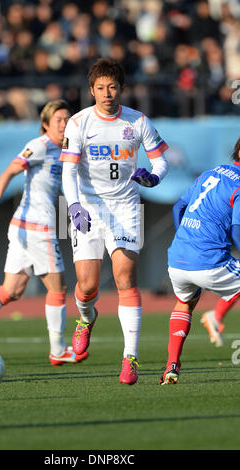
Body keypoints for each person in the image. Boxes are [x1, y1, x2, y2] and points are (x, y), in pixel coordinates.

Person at [0, 99, 88, 367]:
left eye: (67, 119)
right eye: (58, 119)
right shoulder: (39, 146)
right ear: (45, 124)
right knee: (58, 289)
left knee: (12, 289)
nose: (64, 124)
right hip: (37, 226)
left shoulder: (67, 150)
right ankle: (57, 350)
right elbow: (8, 173)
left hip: (25, 225)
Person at [60, 58, 169, 385]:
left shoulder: (138, 121)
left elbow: (161, 161)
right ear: (91, 90)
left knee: (124, 277)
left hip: (125, 208)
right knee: (88, 286)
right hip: (88, 209)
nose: (107, 93)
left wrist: (152, 178)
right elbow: (67, 171)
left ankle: (130, 358)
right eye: (100, 88)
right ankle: (85, 318)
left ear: (121, 89)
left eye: (112, 87)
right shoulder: (79, 123)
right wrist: (74, 205)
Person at [160, 137, 240, 385]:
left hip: (178, 260)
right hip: (210, 263)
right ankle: (215, 316)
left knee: (184, 303)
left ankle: (172, 365)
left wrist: (187, 238)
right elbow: (237, 229)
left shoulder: (209, 173)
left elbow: (178, 208)